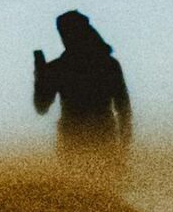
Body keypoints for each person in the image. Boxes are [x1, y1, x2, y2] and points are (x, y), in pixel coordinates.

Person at [33, 10, 132, 161]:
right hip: (94, 142)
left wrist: (40, 76)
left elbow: (41, 107)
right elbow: (123, 108)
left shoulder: (59, 67)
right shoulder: (108, 64)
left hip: (83, 144)